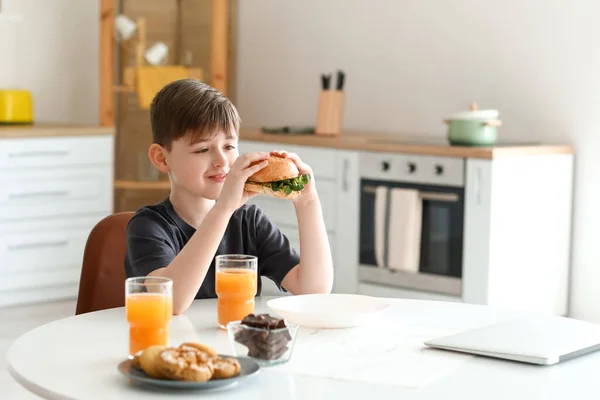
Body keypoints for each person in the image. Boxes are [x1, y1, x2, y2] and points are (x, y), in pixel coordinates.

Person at [124, 79, 334, 314]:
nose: (222, 162)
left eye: (229, 147)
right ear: (162, 158)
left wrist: (308, 203)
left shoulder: (249, 222)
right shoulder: (148, 227)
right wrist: (223, 208)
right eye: (203, 149)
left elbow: (314, 291)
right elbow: (170, 302)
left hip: (236, 345)